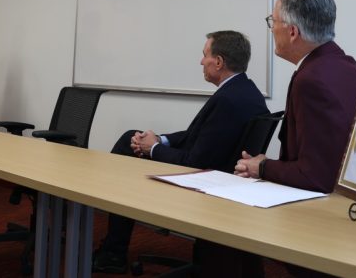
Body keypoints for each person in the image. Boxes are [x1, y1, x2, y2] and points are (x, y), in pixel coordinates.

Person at [92, 30, 269, 274]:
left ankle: (113, 250)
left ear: (218, 62)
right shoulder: (246, 91)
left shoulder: (227, 100)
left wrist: (152, 149)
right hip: (222, 175)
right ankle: (113, 247)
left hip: (204, 181)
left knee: (126, 144)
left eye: (204, 54)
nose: (200, 61)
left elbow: (193, 162)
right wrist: (159, 140)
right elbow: (195, 135)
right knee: (132, 137)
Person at [231, 0, 356, 278]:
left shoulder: (310, 80)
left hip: (322, 226)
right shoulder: (346, 64)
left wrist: (262, 167)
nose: (271, 30)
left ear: (292, 32)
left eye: (273, 22)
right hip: (354, 210)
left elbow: (316, 176)